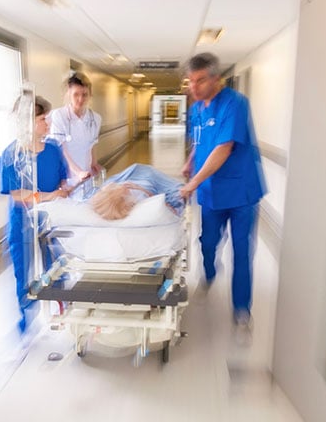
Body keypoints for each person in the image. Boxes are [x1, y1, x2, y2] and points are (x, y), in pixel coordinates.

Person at [179, 52, 267, 342]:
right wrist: (190, 160)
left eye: (200, 80)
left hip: (240, 192)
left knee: (242, 252)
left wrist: (192, 182)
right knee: (207, 242)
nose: (194, 87)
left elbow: (223, 148)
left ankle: (242, 310)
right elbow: (201, 141)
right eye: (191, 81)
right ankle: (210, 272)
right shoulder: (195, 110)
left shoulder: (236, 104)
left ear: (217, 79)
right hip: (210, 192)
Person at [0, 93, 70, 334]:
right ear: (27, 123)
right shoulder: (11, 155)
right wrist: (49, 196)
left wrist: (62, 191)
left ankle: (62, 305)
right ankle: (25, 314)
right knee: (24, 270)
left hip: (50, 219)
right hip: (22, 223)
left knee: (56, 264)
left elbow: (62, 179)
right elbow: (17, 194)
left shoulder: (53, 150)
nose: (48, 123)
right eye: (42, 119)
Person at [48, 73, 103, 195]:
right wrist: (78, 173)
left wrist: (94, 164)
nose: (80, 99)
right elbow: (61, 149)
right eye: (76, 94)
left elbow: (92, 144)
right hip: (66, 177)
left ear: (90, 95)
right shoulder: (59, 116)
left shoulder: (96, 118)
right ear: (69, 94)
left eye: (85, 95)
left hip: (87, 175)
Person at [87, 163, 184, 220]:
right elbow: (172, 211)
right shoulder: (139, 200)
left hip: (131, 175)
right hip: (146, 179)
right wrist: (141, 189)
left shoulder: (104, 200)